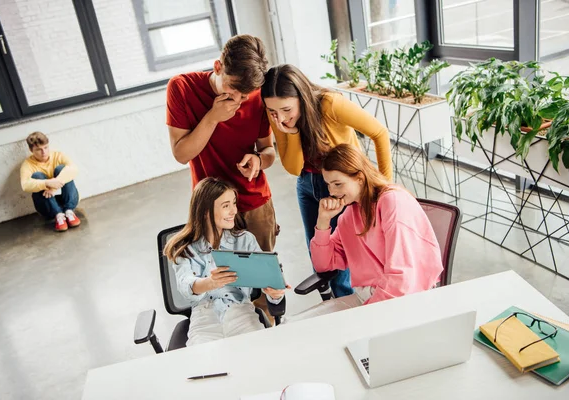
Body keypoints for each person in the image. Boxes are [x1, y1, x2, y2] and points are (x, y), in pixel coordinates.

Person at [260, 64, 393, 298]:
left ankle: (346, 310)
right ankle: (328, 303)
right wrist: (292, 132)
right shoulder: (279, 118)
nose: (279, 117)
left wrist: (385, 189)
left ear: (301, 97)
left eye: (286, 109)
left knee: (343, 259)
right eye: (272, 111)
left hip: (341, 183)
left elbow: (380, 133)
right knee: (318, 252)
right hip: (307, 183)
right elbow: (293, 167)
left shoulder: (330, 104)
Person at [166, 34, 278, 252]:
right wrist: (212, 117)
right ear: (217, 67)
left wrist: (258, 160)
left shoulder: (258, 94)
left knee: (264, 277)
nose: (238, 99)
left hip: (255, 203)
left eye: (245, 95)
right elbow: (181, 155)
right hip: (212, 206)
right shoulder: (181, 88)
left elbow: (269, 151)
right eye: (232, 88)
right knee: (224, 279)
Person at [302, 144, 442, 317]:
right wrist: (323, 221)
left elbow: (401, 278)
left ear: (360, 178)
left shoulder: (392, 202)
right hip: (368, 297)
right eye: (329, 185)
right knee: (296, 326)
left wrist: (367, 315)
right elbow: (323, 265)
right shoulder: (350, 215)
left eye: (338, 184)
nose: (332, 192)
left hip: (399, 301)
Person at [164, 177, 286, 346]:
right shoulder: (183, 247)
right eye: (226, 206)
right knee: (205, 368)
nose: (234, 211)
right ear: (206, 211)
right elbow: (185, 285)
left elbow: (268, 281)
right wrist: (209, 283)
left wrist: (275, 294)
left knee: (259, 357)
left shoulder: (245, 240)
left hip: (241, 312)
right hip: (205, 318)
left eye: (234, 203)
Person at [20, 131, 80, 232]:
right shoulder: (27, 164)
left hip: (67, 200)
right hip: (47, 208)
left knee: (62, 169)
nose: (44, 152)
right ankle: (58, 215)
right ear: (31, 150)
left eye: (46, 147)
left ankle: (69, 211)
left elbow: (74, 169)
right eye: (39, 149)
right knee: (37, 176)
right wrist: (46, 183)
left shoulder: (57, 155)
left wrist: (54, 185)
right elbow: (25, 185)